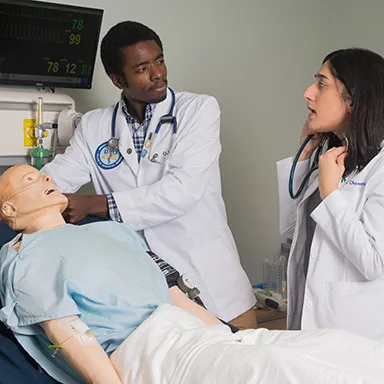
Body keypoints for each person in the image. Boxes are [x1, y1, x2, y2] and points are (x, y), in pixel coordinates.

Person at [2, 165, 384, 384]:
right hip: (146, 351)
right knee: (284, 370)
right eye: (29, 182)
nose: (46, 178)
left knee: (334, 346)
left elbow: (173, 296)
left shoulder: (111, 230)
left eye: (42, 174)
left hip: (196, 335)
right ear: (8, 210)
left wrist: (238, 337)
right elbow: (69, 335)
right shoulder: (25, 260)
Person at [41, 20, 256, 328]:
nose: (158, 74)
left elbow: (182, 190)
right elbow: (56, 178)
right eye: (142, 69)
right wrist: (26, 193)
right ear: (118, 79)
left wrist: (95, 204)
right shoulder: (94, 126)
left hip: (213, 283)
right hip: (145, 292)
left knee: (244, 371)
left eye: (160, 61)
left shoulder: (198, 110)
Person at [277, 48, 384, 339]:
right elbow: (290, 229)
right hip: (305, 327)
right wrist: (303, 155)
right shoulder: (336, 160)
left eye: (321, 84)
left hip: (351, 338)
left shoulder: (380, 168)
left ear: (353, 100)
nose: (308, 93)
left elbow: (374, 262)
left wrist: (330, 194)